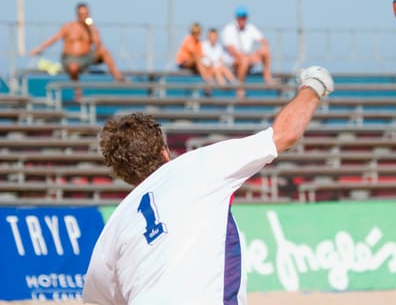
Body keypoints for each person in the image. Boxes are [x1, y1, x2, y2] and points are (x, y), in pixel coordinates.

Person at [82, 66, 334, 305]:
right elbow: (285, 134)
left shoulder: (114, 227)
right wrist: (313, 84)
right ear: (164, 152)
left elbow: (95, 300)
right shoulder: (198, 165)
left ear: (122, 174)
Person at [30, 2, 125, 100]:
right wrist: (39, 49)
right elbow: (54, 39)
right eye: (81, 14)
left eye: (86, 14)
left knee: (104, 51)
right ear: (77, 15)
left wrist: (91, 29)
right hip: (70, 58)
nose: (84, 17)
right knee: (73, 67)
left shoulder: (92, 29)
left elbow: (98, 45)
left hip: (86, 57)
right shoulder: (69, 27)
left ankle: (118, 76)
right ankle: (77, 90)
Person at [221, 5, 274, 98]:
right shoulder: (228, 29)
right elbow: (231, 50)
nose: (242, 20)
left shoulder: (250, 28)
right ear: (236, 18)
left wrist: (260, 51)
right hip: (232, 61)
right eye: (241, 17)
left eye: (244, 17)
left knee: (265, 51)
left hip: (246, 58)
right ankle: (240, 88)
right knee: (244, 60)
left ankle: (267, 77)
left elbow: (263, 40)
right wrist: (247, 58)